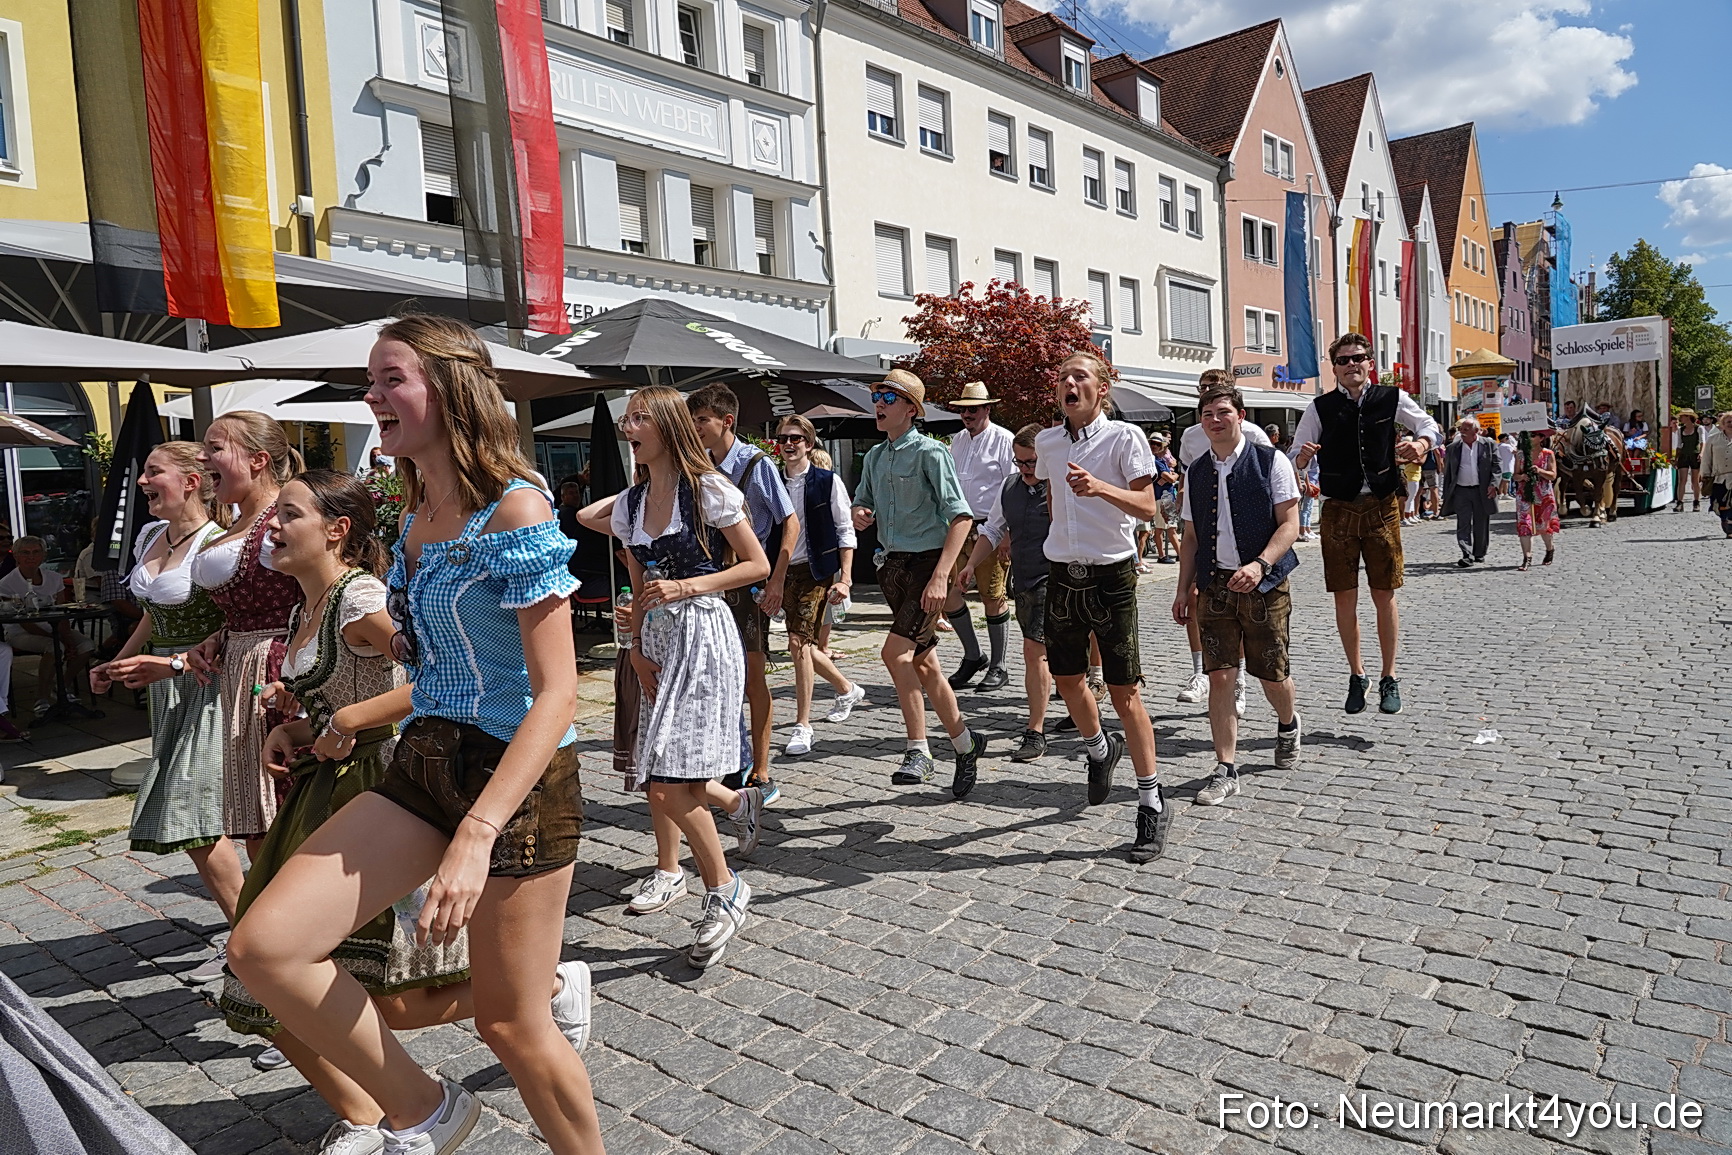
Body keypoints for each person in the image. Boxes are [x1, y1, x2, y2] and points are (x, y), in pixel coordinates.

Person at [225, 316, 604, 1155]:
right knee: (265, 947)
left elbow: (557, 692)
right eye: (373, 380)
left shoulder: (515, 506)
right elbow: (434, 663)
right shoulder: (413, 508)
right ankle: (429, 1109)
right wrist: (326, 702)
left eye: (391, 378)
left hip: (519, 782)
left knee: (512, 1023)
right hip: (427, 755)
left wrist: (477, 834)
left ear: (450, 386)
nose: (372, 395)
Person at [222, 471, 487, 1153]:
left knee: (387, 991)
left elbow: (436, 675)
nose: (270, 528)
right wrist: (296, 721)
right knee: (262, 977)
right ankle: (369, 1115)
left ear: (337, 530)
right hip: (321, 782)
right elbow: (326, 689)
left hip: (374, 781)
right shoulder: (303, 604)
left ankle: (534, 988)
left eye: (288, 515)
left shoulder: (359, 598)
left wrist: (346, 718)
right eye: (273, 516)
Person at [582, 386, 770, 957]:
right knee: (666, 777)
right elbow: (633, 578)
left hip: (705, 634)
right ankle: (733, 833)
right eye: (627, 419)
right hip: (658, 637)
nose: (628, 428)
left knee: (667, 782)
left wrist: (690, 585)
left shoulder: (708, 489)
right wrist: (636, 646)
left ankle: (725, 888)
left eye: (640, 419)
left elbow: (755, 564)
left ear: (666, 425)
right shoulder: (632, 504)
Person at [89, 444, 240, 948]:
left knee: (193, 812)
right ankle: (257, 930)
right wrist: (118, 660)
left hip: (209, 681)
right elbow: (154, 612)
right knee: (203, 815)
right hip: (165, 690)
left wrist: (173, 663)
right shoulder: (151, 535)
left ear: (192, 481)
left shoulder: (219, 544)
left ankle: (252, 934)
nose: (143, 482)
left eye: (154, 472)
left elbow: (234, 626)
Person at [1034, 353, 1169, 862]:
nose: (1069, 384)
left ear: (1101, 389)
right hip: (1062, 573)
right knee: (1065, 678)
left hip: (1112, 577)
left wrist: (1099, 488)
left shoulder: (1125, 438)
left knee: (1124, 691)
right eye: (1063, 378)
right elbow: (1054, 502)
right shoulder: (1048, 442)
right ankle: (1098, 747)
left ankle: (1151, 800)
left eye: (1080, 377)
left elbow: (1148, 507)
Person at [849, 369, 985, 797]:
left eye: (889, 397)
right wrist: (860, 513)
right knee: (924, 664)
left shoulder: (932, 453)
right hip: (891, 567)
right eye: (878, 397)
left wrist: (942, 575)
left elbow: (961, 516)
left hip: (927, 566)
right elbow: (862, 501)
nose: (880, 404)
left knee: (895, 653)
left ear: (911, 409)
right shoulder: (874, 456)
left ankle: (918, 749)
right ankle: (966, 744)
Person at [1292, 333, 1441, 715]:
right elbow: (1295, 455)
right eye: (1342, 360)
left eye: (1357, 357)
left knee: (1384, 593)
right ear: (1335, 368)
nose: (1351, 365)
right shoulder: (1319, 407)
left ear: (1369, 362)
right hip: (1338, 508)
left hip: (1381, 505)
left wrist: (1422, 446)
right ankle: (1357, 674)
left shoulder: (1391, 398)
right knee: (1345, 597)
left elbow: (1430, 427)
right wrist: (1302, 458)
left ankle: (1389, 675)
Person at [1173, 386, 1303, 805]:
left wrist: (1261, 563)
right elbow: (1190, 536)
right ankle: (1226, 769)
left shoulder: (1271, 461)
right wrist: (1183, 588)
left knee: (1271, 673)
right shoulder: (1195, 471)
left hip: (1264, 583)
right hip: (1214, 585)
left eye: (1222, 412)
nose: (1214, 419)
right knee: (1221, 676)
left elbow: (1290, 524)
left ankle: (1287, 723)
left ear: (1240, 416)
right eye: (1206, 413)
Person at [687, 384, 797, 800]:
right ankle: (733, 760)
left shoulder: (756, 464)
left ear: (726, 421)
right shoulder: (698, 465)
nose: (695, 428)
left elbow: (790, 523)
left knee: (752, 677)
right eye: (693, 420)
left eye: (702, 420)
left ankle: (762, 770)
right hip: (714, 583)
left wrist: (777, 580)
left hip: (749, 584)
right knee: (719, 679)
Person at [1176, 370, 1270, 708]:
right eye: (1203, 391)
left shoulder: (1255, 434)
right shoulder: (1190, 435)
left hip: (1242, 536)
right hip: (1202, 524)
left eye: (1216, 391)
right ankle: (1201, 670)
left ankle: (1238, 675)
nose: (1208, 395)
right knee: (1195, 598)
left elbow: (1264, 477)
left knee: (1237, 606)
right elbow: (1188, 473)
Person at [960, 424, 1051, 762]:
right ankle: (1082, 712)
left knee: (1034, 652)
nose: (1025, 470)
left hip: (1058, 579)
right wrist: (970, 565)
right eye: (1019, 462)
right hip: (1025, 581)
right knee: (1047, 655)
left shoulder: (1061, 485)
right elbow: (994, 528)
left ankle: (1035, 729)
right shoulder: (1009, 485)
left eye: (1031, 463)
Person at [773, 415, 863, 757]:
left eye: (796, 438)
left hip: (817, 571)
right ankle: (846, 688)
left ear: (809, 444)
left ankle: (803, 726)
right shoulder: (774, 481)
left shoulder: (827, 481)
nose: (789, 444)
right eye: (783, 438)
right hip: (783, 572)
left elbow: (845, 530)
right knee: (805, 644)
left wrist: (846, 578)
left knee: (798, 643)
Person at [942, 382, 1015, 692]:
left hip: (991, 527)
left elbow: (1012, 487)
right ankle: (973, 655)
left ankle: (999, 666)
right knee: (947, 594)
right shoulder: (956, 441)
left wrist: (1007, 534)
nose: (967, 414)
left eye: (973, 408)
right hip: (957, 527)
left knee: (992, 595)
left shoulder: (1004, 440)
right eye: (963, 409)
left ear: (987, 408)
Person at [0, 536, 99, 718]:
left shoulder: (54, 578)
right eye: (25, 553)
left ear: (43, 555)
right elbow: (23, 622)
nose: (31, 557)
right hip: (20, 631)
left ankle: (62, 686)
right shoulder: (6, 583)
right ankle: (42, 698)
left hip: (53, 627)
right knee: (55, 647)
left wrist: (67, 637)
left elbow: (62, 612)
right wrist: (59, 639)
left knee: (87, 645)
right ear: (16, 556)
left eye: (36, 552)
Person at [1443, 417, 1499, 567]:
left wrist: (1494, 484)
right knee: (1463, 523)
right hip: (1461, 490)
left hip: (1481, 489)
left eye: (1466, 429)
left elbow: (1497, 466)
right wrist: (1447, 492)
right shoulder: (1453, 448)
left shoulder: (1488, 444)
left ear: (1476, 431)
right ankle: (1466, 554)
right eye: (1461, 429)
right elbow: (1448, 472)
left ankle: (1479, 553)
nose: (1462, 432)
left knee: (1481, 522)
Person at [1511, 428, 1560, 570]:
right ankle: (1527, 557)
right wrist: (1522, 477)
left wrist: (1540, 471)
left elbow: (1552, 475)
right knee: (1524, 524)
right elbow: (1515, 475)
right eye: (1527, 435)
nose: (1529, 438)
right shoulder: (1520, 455)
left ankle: (1550, 549)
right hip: (1524, 494)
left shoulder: (1548, 454)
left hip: (1544, 494)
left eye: (1533, 435)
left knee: (1544, 525)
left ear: (1541, 438)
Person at [1148, 432, 1180, 563]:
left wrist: (1172, 476)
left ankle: (1169, 554)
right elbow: (1171, 478)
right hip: (1163, 497)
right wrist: (1173, 476)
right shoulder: (1156, 461)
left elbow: (1171, 476)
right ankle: (1176, 555)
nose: (1154, 446)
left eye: (1157, 444)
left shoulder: (1159, 460)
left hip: (1164, 496)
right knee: (1168, 528)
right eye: (1152, 443)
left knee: (1165, 528)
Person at [1703, 410, 1732, 539]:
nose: (1731, 424)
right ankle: (1725, 519)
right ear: (1722, 424)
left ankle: (1729, 526)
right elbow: (1707, 458)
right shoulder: (1713, 439)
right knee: (1719, 502)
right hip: (1720, 477)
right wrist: (1705, 474)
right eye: (1728, 422)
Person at [1672, 409, 1704, 512]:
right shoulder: (1680, 430)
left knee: (1695, 480)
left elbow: (1703, 442)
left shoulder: (1699, 428)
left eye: (1682, 417)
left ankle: (1696, 502)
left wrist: (1701, 453)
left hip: (1695, 455)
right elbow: (1679, 445)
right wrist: (1676, 459)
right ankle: (1680, 503)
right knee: (1682, 480)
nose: (1680, 419)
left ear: (1688, 417)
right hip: (1684, 455)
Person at [1398, 433, 1423, 525]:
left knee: (1412, 497)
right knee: (1409, 497)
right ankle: (1406, 516)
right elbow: (1418, 461)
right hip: (1410, 476)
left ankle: (1411, 515)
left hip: (1415, 475)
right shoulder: (1407, 454)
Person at [1419, 439, 1442, 519]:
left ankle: (1416, 512)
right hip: (1430, 467)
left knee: (1419, 491)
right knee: (1434, 489)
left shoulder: (1418, 441)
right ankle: (1435, 512)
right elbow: (1437, 453)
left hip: (1419, 467)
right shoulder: (1431, 441)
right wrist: (1439, 467)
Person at [1496, 433, 1517, 498]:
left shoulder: (1498, 446)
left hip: (1501, 466)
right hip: (1508, 465)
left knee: (1502, 480)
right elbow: (1514, 451)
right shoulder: (1507, 446)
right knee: (1507, 480)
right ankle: (1505, 494)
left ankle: (1500, 493)